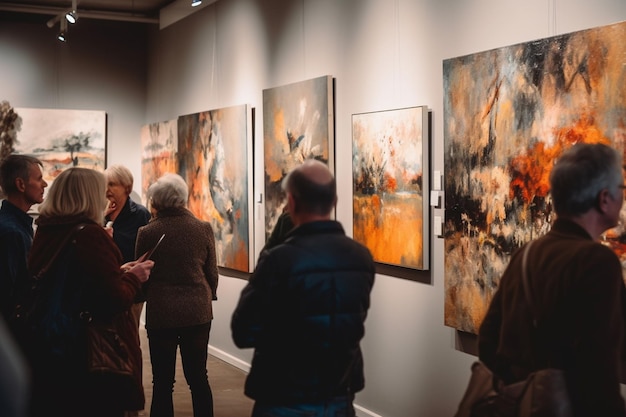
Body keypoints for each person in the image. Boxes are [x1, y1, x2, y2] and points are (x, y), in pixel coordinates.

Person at [478, 142, 626, 417]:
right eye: (622, 189)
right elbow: (599, 371)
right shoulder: (597, 262)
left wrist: (522, 383)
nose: (622, 196)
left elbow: (487, 341)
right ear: (604, 198)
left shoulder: (527, 252)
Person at [231, 159, 375, 417]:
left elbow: (243, 332)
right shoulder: (361, 257)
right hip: (339, 396)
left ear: (292, 203)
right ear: (334, 201)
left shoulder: (278, 260)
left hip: (284, 395)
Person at [27, 167, 154, 417]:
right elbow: (114, 298)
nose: (105, 197)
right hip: (88, 352)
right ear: (87, 196)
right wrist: (133, 277)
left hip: (51, 346)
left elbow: (75, 280)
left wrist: (117, 270)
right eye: (100, 191)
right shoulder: (89, 234)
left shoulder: (46, 229)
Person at [135, 173, 218, 417]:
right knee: (198, 378)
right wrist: (209, 294)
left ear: (156, 201)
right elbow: (211, 272)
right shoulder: (203, 228)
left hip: (162, 313)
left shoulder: (147, 232)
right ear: (182, 198)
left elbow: (142, 274)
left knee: (162, 382)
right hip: (197, 311)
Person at [0, 154, 47, 320]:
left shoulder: (17, 226)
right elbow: (10, 294)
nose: (45, 184)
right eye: (39, 179)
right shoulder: (12, 232)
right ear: (21, 184)